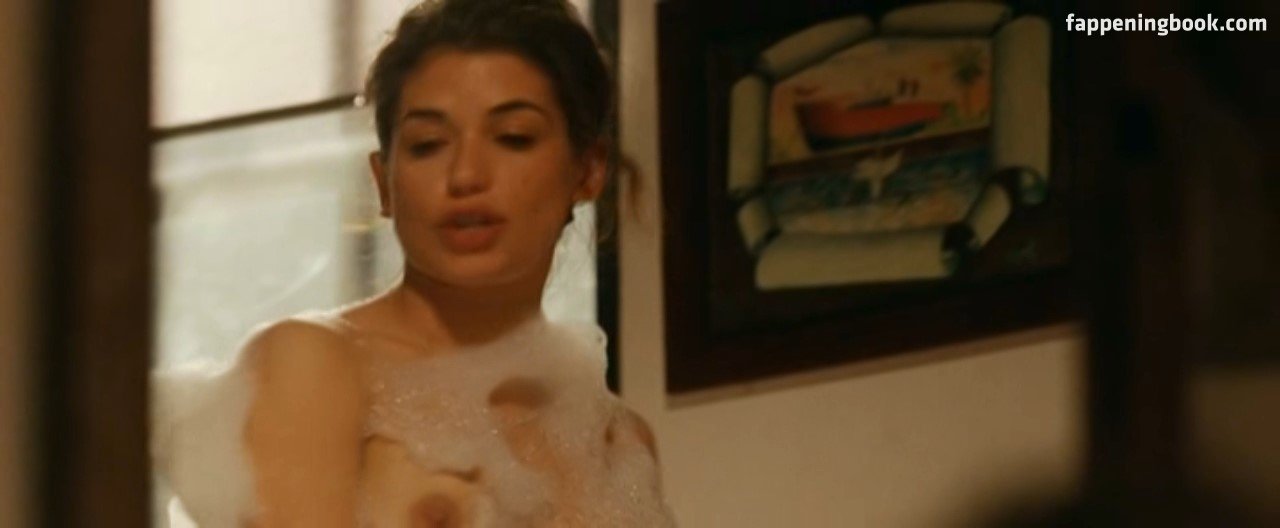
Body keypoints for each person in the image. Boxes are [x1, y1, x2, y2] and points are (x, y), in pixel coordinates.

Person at [150, 1, 675, 526]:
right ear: (383, 184)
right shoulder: (316, 365)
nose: (466, 174)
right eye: (428, 145)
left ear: (588, 171)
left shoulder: (618, 440)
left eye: (513, 137)